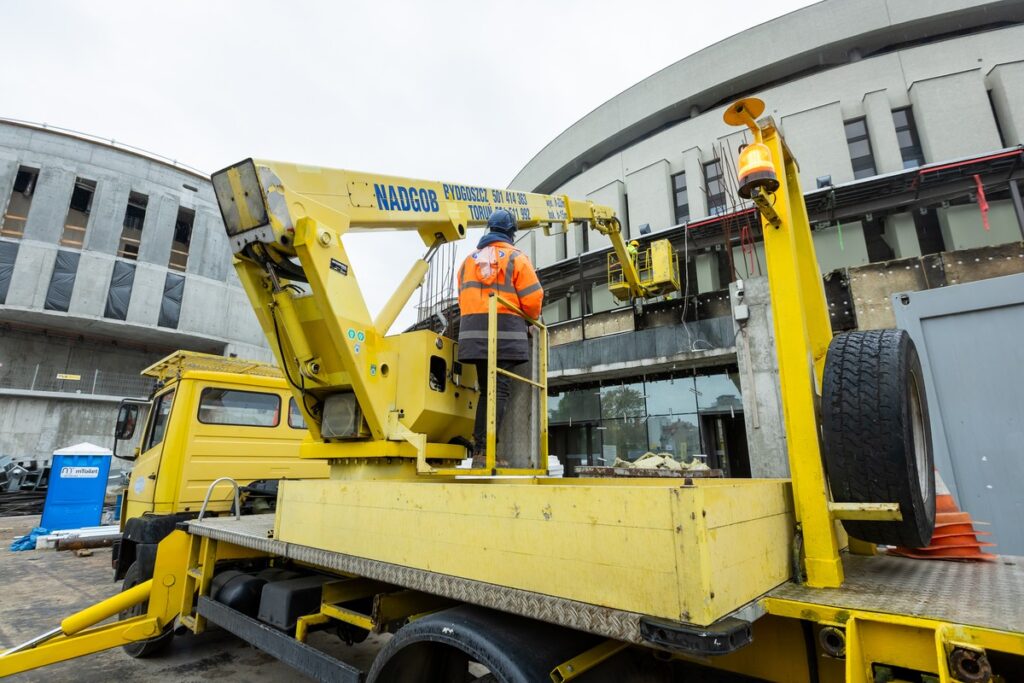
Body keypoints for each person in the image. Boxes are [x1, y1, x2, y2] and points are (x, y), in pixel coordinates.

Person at [457, 209, 544, 465]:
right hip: (503, 333)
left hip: (472, 334)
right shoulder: (516, 258)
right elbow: (533, 299)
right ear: (511, 233)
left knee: (487, 391)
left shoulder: (468, 262)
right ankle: (486, 452)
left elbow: (462, 297)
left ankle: (481, 451)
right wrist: (530, 320)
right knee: (500, 390)